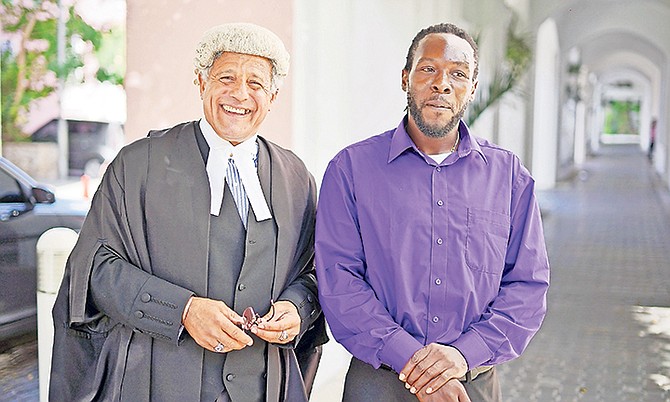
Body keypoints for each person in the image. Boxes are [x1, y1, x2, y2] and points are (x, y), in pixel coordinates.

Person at [49, 22, 327, 402]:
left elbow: (315, 273)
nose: (240, 94)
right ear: (201, 83)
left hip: (262, 386)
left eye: (256, 84)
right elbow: (93, 270)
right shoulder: (137, 165)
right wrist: (182, 311)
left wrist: (298, 307)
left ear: (273, 96)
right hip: (155, 383)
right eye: (226, 77)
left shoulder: (297, 178)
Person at [315, 22, 550, 402]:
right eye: (429, 69)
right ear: (406, 78)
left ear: (471, 89)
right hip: (378, 382)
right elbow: (339, 280)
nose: (442, 83)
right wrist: (412, 360)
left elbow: (527, 286)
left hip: (471, 383)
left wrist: (461, 356)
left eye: (458, 74)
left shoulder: (509, 177)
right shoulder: (351, 170)